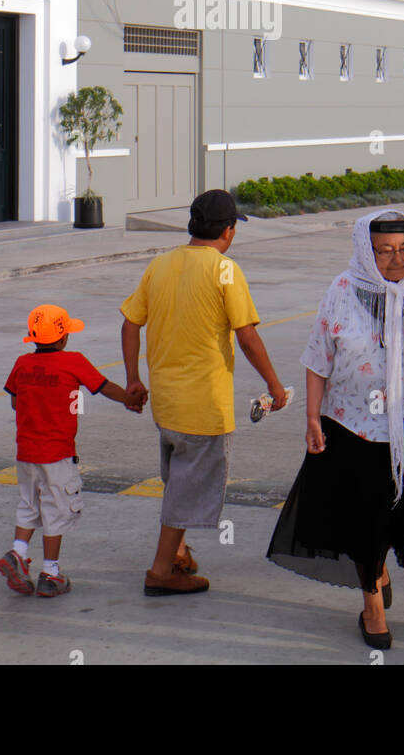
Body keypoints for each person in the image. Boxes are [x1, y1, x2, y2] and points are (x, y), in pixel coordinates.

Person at [267, 209, 404, 650]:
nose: (397, 260)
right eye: (384, 251)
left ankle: (378, 566)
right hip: (352, 428)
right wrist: (311, 419)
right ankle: (372, 606)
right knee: (366, 518)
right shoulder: (342, 291)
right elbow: (318, 358)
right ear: (365, 250)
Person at [120, 188, 288, 597]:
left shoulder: (159, 264)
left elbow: (129, 324)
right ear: (228, 231)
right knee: (187, 489)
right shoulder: (225, 270)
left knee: (178, 479)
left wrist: (132, 380)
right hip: (204, 407)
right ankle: (161, 571)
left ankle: (177, 552)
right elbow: (246, 337)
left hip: (166, 403)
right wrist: (274, 385)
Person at [0, 302, 146, 598]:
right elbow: (104, 386)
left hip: (25, 453)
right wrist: (132, 399)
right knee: (56, 509)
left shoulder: (22, 364)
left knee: (29, 505)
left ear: (33, 338)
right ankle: (50, 574)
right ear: (64, 338)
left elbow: (15, 401)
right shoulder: (73, 361)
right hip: (57, 453)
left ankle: (18, 553)